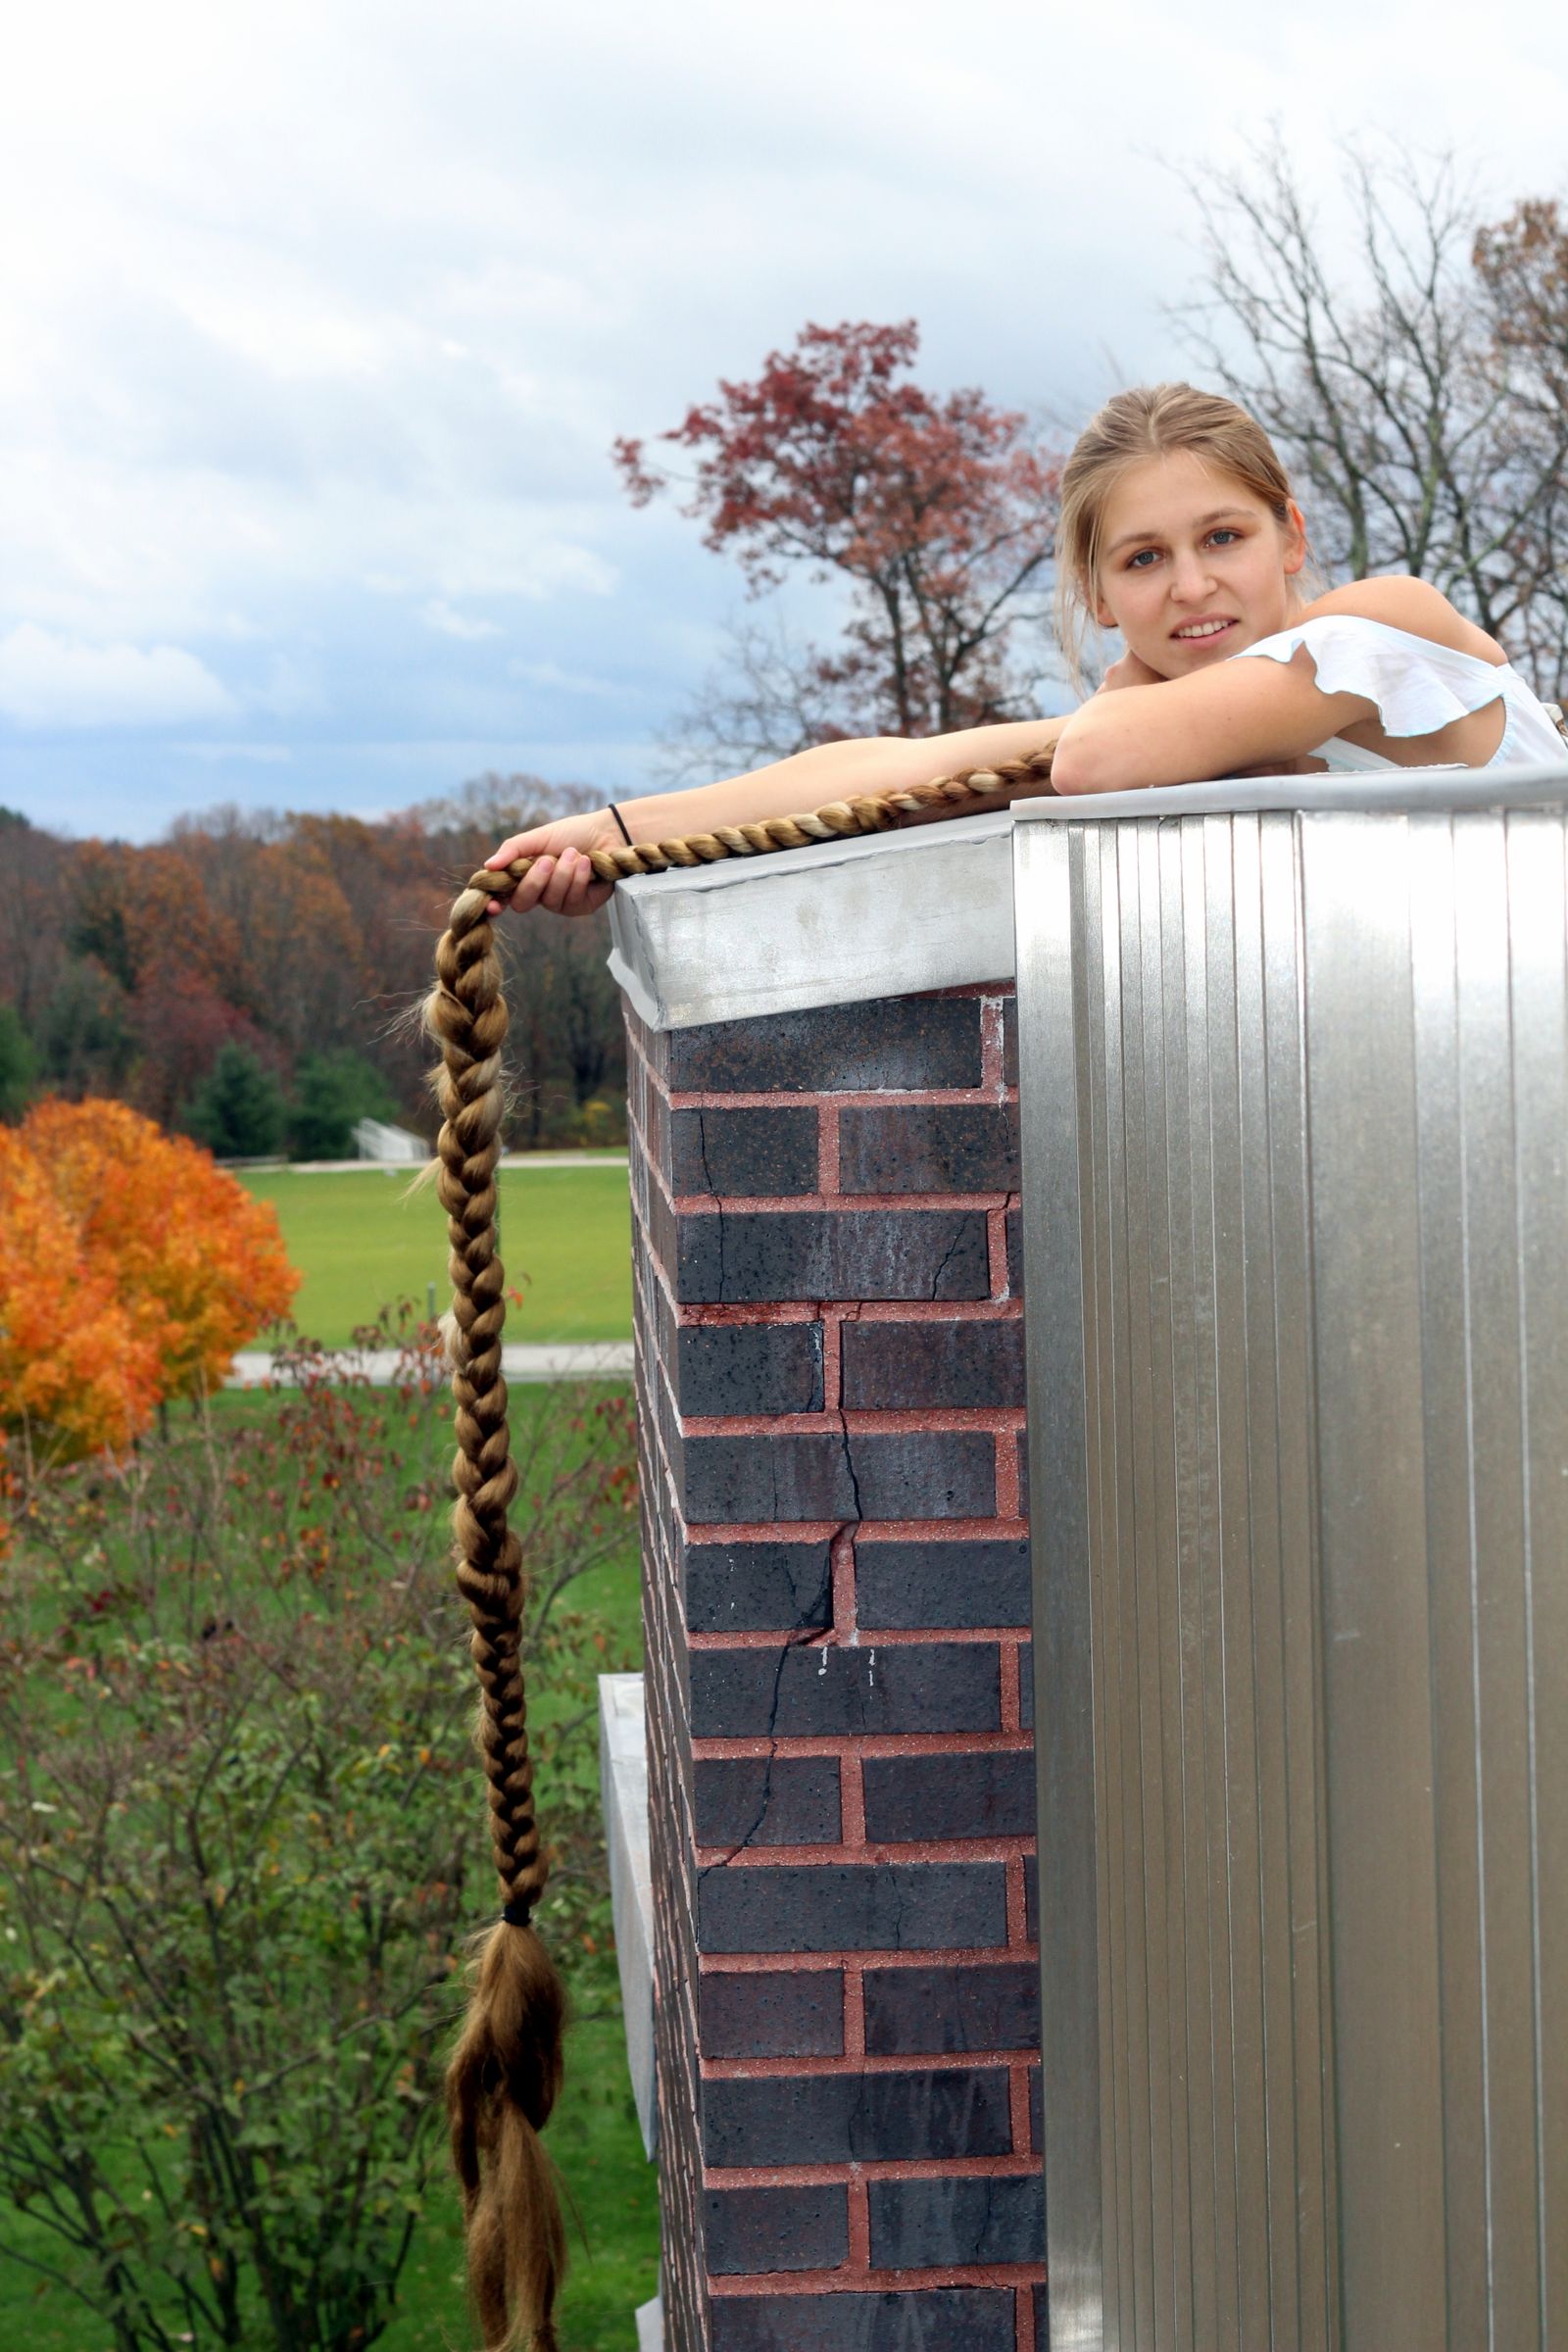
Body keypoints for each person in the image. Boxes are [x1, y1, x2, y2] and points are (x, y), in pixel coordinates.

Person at [483, 382, 1565, 918]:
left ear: (1292, 534)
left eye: (1223, 538)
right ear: (1096, 593)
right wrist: (618, 836)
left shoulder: (1387, 624)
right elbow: (899, 767)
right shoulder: (1170, 730)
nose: (1190, 584)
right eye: (1142, 559)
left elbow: (1089, 760)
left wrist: (1131, 694)